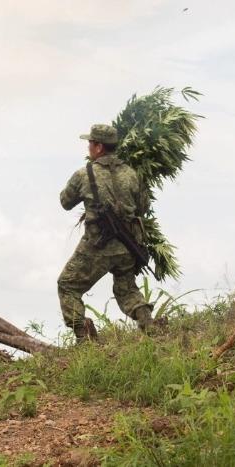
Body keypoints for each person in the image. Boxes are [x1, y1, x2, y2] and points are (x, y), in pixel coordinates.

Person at [57, 124, 157, 343]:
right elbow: (143, 206)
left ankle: (84, 338)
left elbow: (65, 202)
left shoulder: (84, 174)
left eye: (91, 143)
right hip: (128, 246)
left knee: (68, 285)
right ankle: (147, 321)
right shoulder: (132, 174)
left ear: (99, 147)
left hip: (97, 246)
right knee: (127, 290)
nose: (89, 147)